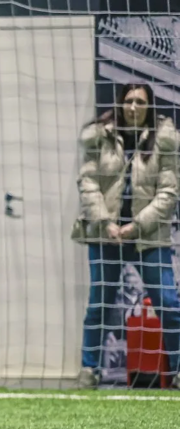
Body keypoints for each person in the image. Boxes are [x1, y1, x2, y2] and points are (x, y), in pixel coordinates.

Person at [72, 83, 180, 390]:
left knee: (168, 303)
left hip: (149, 237)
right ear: (120, 103)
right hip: (106, 236)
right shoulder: (99, 135)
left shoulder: (165, 139)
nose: (134, 107)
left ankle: (178, 370)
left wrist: (136, 226)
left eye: (140, 102)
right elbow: (88, 183)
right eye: (129, 101)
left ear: (150, 105)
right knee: (98, 305)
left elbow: (169, 191)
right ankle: (90, 369)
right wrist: (105, 222)